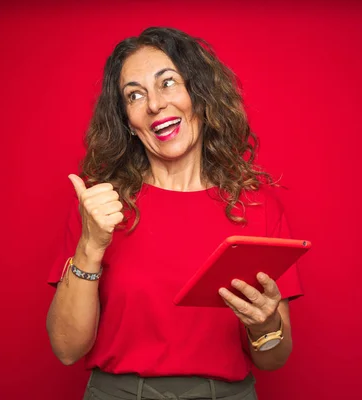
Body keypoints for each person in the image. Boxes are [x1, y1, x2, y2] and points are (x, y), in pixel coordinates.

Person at [46, 27, 303, 400]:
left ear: (199, 96)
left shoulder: (257, 205)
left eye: (168, 83)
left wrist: (266, 323)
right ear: (128, 123)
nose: (154, 104)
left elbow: (273, 359)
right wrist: (90, 245)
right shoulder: (100, 205)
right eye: (135, 95)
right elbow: (67, 349)